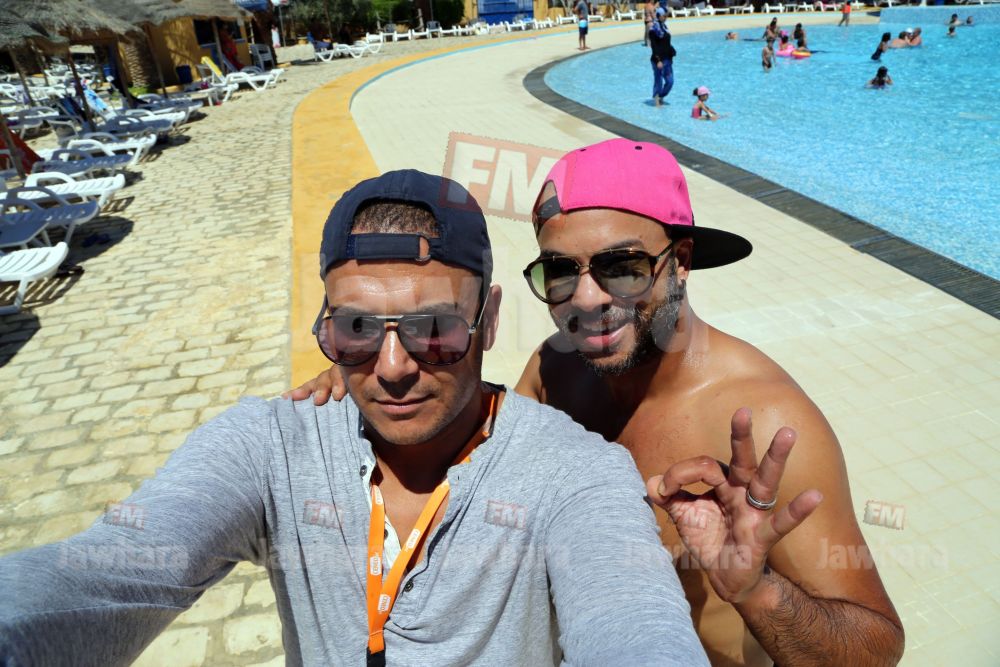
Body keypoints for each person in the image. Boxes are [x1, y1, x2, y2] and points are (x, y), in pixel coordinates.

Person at [0, 171, 710, 666]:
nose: (393, 366)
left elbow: (633, 628)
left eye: (435, 329)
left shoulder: (576, 473)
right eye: (357, 329)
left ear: (489, 320)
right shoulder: (273, 446)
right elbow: (100, 577)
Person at [292, 141, 906, 666]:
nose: (586, 299)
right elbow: (479, 445)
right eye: (560, 271)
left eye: (622, 266)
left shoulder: (761, 423)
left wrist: (755, 589)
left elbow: (877, 645)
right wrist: (379, 360)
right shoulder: (557, 368)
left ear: (680, 261)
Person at [648, 7, 676, 107]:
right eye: (664, 15)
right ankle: (656, 100)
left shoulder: (664, 27)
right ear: (659, 16)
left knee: (670, 81)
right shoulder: (653, 30)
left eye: (666, 15)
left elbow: (666, 43)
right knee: (658, 80)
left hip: (667, 59)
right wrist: (658, 60)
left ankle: (661, 96)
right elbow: (654, 46)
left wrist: (672, 50)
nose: (666, 17)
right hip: (658, 60)